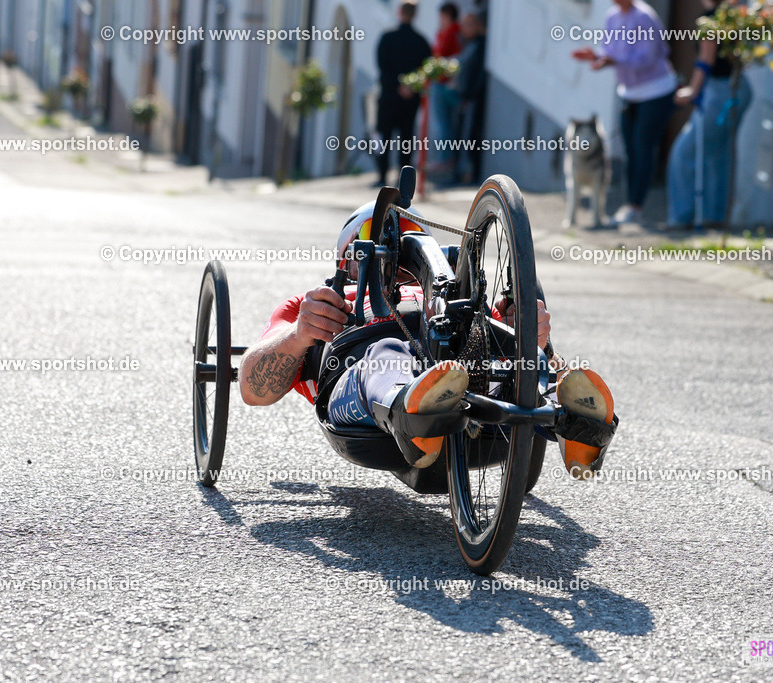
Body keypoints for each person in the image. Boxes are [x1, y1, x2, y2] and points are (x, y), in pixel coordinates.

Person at [239, 202, 616, 477]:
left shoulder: (452, 299)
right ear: (345, 258)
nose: (395, 255)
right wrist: (299, 335)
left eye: (409, 242)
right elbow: (253, 389)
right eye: (373, 240)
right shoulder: (315, 306)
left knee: (511, 360)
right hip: (360, 383)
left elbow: (514, 351)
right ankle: (408, 403)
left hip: (462, 371)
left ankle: (575, 423)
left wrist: (534, 340)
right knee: (385, 354)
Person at [572, 0, 677, 224]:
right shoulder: (612, 16)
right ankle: (630, 205)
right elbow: (610, 51)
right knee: (629, 148)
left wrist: (612, 60)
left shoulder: (644, 17)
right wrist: (597, 56)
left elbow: (646, 59)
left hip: (656, 90)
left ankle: (636, 206)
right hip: (629, 92)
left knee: (643, 146)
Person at [666, 0, 752, 230]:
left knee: (684, 154)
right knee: (718, 155)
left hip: (720, 91)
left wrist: (692, 90)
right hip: (739, 88)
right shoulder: (736, 16)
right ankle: (714, 218)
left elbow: (706, 59)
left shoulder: (711, 19)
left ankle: (682, 218)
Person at [375, 1, 432, 186]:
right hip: (410, 97)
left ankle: (382, 176)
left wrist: (397, 85)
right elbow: (425, 68)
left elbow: (383, 66)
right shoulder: (421, 41)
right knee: (406, 139)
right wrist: (410, 86)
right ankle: (403, 180)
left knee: (385, 137)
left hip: (390, 95)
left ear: (399, 12)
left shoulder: (387, 37)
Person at [428, 2, 462, 174]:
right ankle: (445, 158)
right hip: (444, 82)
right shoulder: (449, 31)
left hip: (443, 83)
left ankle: (445, 159)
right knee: (445, 124)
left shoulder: (451, 31)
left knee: (443, 124)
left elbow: (440, 54)